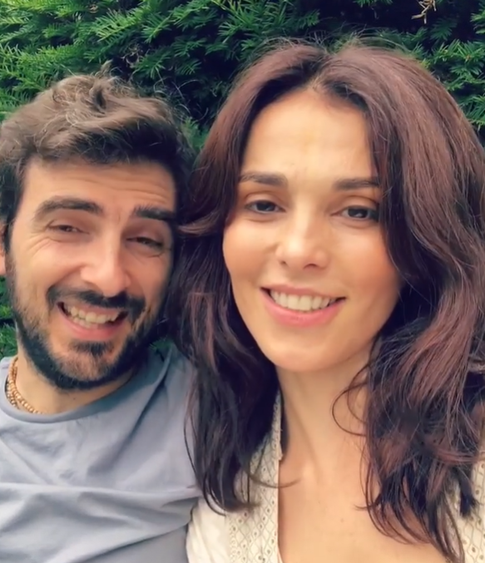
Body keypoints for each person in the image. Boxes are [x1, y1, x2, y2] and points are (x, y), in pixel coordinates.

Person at [169, 41, 485, 563]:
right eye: (264, 204)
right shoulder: (220, 514)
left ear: (426, 238)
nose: (298, 251)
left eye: (358, 211)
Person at [0, 70, 198, 562]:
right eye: (68, 227)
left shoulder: (221, 416)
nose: (109, 279)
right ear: (3, 245)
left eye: (145, 239)